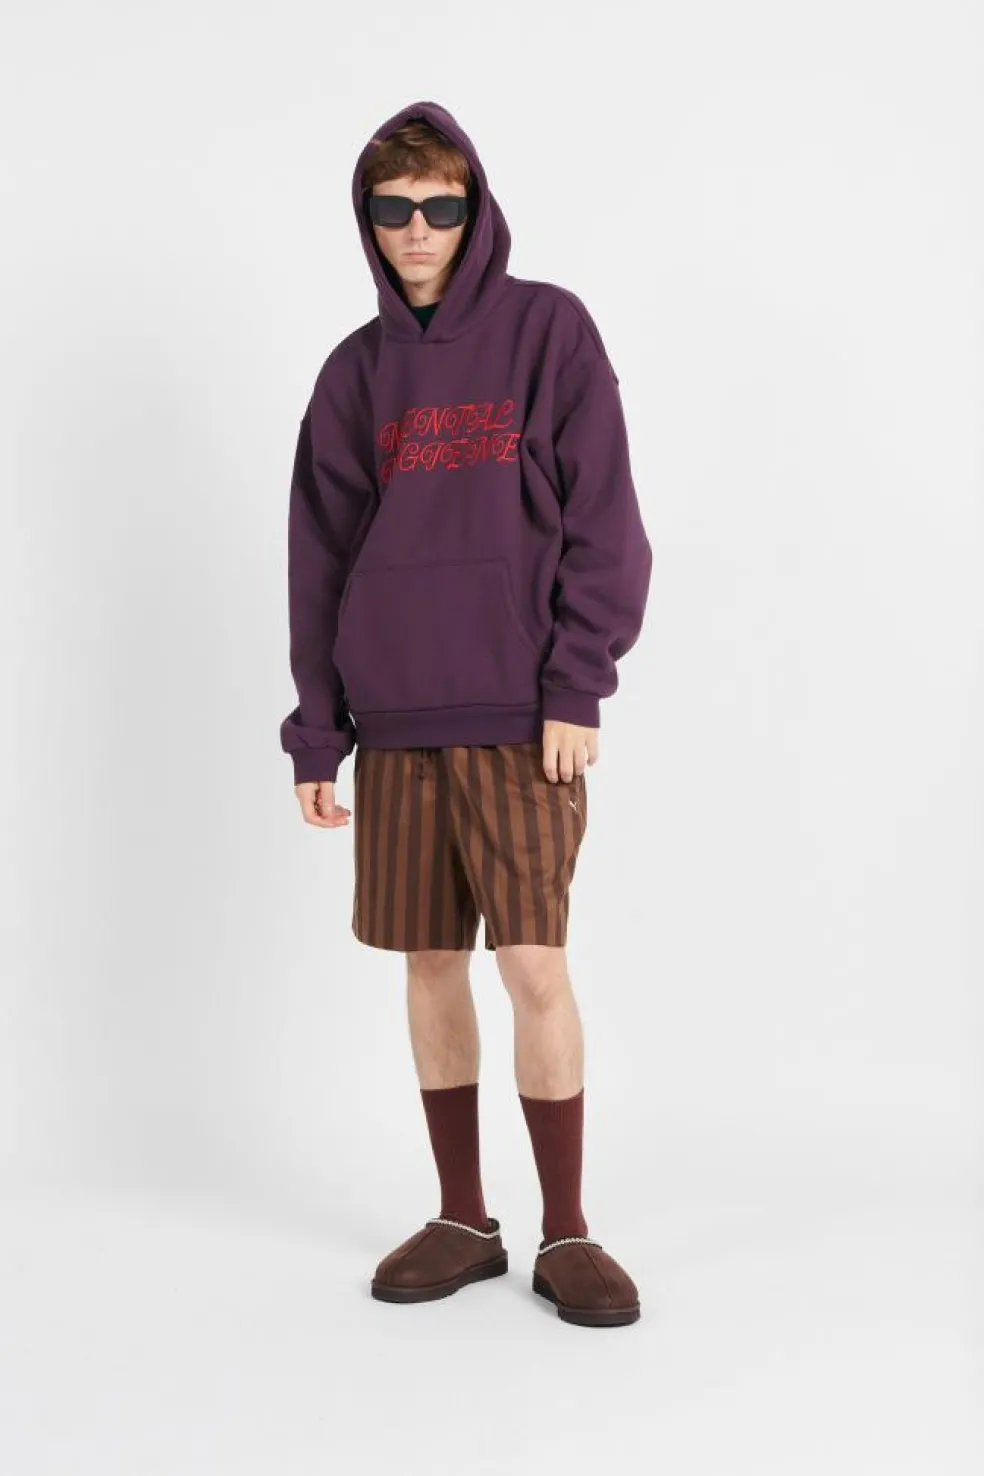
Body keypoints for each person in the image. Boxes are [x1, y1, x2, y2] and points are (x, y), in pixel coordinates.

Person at [280, 100, 652, 1328]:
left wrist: (577, 682)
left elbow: (605, 521)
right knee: (431, 963)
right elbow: (320, 561)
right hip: (394, 723)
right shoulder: (354, 373)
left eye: (441, 207)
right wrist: (319, 729)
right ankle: (462, 1218)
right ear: (369, 220)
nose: (418, 230)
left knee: (534, 964)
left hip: (521, 716)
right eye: (395, 209)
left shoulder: (549, 330)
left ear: (474, 210)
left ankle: (568, 1230)